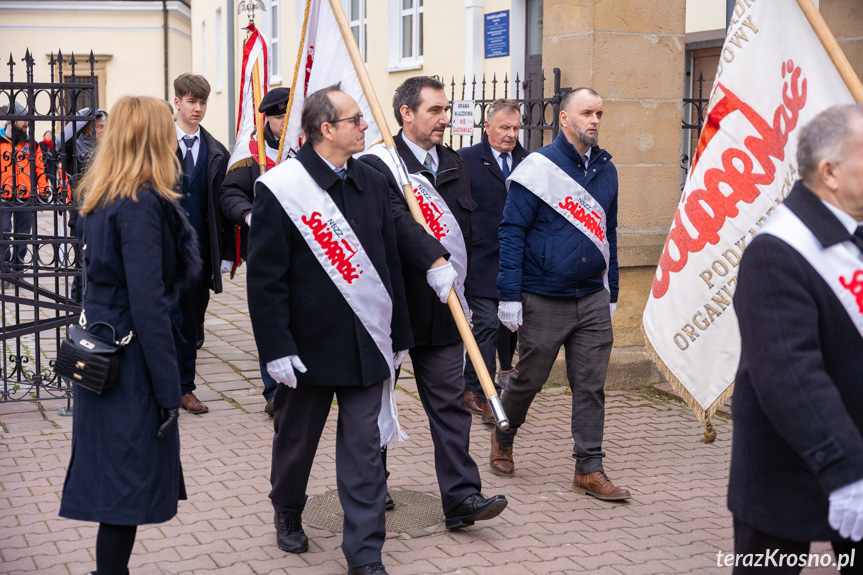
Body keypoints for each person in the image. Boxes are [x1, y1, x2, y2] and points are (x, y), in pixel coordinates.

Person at [247, 85, 412, 575]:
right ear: (326, 129)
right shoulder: (282, 188)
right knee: (296, 443)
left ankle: (364, 556)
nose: (366, 127)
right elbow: (265, 280)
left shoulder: (372, 180)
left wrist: (397, 335)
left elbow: (388, 265)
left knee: (364, 453)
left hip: (365, 347)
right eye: (356, 120)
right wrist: (276, 348)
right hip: (307, 348)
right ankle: (287, 508)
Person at [361, 76, 508, 530]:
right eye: (435, 111)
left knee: (448, 402)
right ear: (407, 113)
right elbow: (397, 220)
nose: (445, 119)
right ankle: (370, 486)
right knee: (375, 402)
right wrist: (433, 259)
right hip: (397, 305)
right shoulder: (379, 164)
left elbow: (469, 229)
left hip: (445, 307)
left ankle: (462, 498)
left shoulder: (453, 162)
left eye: (446, 110)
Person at [58, 95, 197, 575]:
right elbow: (148, 304)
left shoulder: (104, 194)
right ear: (153, 138)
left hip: (104, 351)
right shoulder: (138, 202)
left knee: (115, 480)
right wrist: (168, 390)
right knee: (123, 485)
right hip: (127, 361)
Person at [727, 104, 863, 573]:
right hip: (789, 468)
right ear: (829, 172)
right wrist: (847, 473)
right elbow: (790, 371)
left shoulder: (856, 234)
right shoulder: (776, 252)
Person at [490, 87, 629, 501]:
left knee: (590, 384)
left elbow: (610, 234)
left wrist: (613, 289)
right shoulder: (538, 168)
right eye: (587, 112)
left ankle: (589, 468)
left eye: (600, 113)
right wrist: (509, 295)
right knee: (529, 378)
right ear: (565, 119)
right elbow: (511, 231)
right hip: (544, 294)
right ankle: (504, 434)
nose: (595, 120)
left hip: (590, 296)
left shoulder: (607, 170)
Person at [457, 98, 528, 423]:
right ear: (488, 127)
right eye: (504, 127)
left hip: (517, 264)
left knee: (508, 328)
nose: (511, 134)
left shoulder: (530, 161)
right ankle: (488, 395)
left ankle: (471, 385)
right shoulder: (467, 160)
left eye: (515, 128)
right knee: (485, 323)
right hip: (480, 261)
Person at [220, 86, 290, 416]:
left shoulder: (307, 147)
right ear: (267, 119)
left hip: (308, 250)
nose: (285, 122)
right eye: (279, 117)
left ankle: (302, 386)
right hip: (264, 249)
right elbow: (230, 194)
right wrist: (250, 216)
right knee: (270, 318)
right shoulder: (249, 152)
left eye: (290, 115)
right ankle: (275, 390)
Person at [172, 73, 232, 414]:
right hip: (164, 250)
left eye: (202, 102)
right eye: (191, 101)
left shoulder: (216, 152)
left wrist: (224, 254)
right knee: (165, 319)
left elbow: (222, 207)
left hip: (199, 254)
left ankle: (185, 387)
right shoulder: (157, 143)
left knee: (193, 323)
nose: (197, 108)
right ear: (177, 102)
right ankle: (162, 386)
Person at [1, 104, 46, 271]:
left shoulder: (31, 144)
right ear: (12, 121)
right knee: (3, 231)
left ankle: (18, 268)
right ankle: (4, 268)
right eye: (23, 120)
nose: (27, 123)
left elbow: (40, 169)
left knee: (23, 235)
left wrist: (43, 191)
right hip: (3, 195)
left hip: (25, 195)